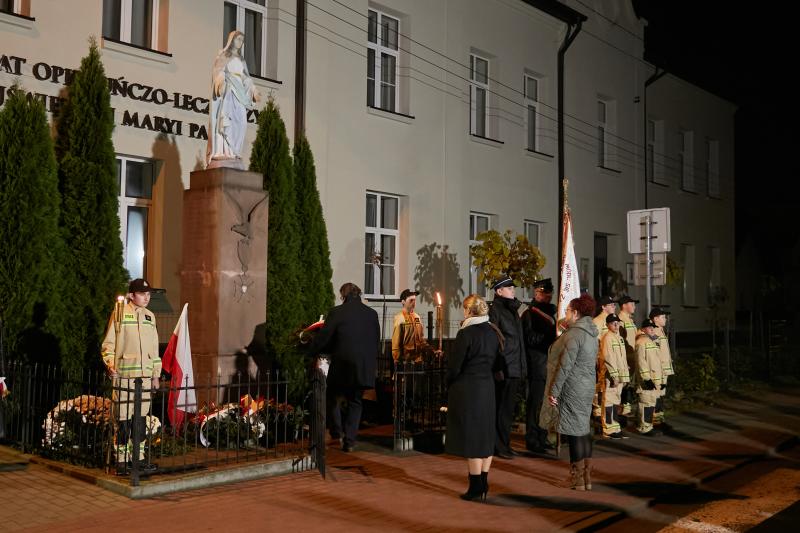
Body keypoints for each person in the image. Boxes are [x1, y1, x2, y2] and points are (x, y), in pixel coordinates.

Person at [445, 294, 504, 501]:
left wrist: (449, 382)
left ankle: (475, 486)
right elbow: (499, 362)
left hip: (469, 388)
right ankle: (484, 481)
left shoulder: (466, 333)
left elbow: (455, 366)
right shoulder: (493, 331)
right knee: (486, 434)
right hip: (487, 387)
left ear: (469, 311)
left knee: (472, 437)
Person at [309, 283, 380, 452]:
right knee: (356, 401)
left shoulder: (337, 312)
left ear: (343, 295)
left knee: (332, 396)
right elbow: (376, 340)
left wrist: (311, 350)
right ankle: (350, 441)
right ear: (358, 294)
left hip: (342, 365)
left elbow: (325, 337)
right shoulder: (371, 314)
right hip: (362, 366)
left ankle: (337, 432)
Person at [101, 278, 161, 471]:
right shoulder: (119, 313)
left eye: (148, 294)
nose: (146, 298)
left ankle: (138, 458)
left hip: (145, 377)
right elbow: (108, 344)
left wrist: (155, 375)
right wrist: (110, 365)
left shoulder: (150, 316)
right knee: (123, 419)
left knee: (140, 419)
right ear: (131, 295)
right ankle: (121, 460)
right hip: (125, 377)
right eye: (142, 294)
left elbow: (154, 349)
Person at [545, 293, 599, 491]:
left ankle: (577, 479)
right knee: (583, 430)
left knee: (575, 433)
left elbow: (565, 366)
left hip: (573, 387)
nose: (565, 313)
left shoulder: (574, 335)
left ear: (576, 313)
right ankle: (586, 477)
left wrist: (554, 390)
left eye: (568, 310)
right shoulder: (591, 333)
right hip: (587, 386)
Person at [207, 30, 261, 168]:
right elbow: (218, 72)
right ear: (231, 40)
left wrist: (254, 90)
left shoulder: (242, 60)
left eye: (242, 40)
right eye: (238, 39)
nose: (240, 42)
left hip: (240, 93)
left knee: (242, 122)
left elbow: (245, 78)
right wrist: (221, 81)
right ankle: (225, 151)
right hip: (229, 92)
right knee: (227, 121)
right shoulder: (224, 55)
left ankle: (235, 151)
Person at [488, 276, 526, 460]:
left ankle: (505, 443)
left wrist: (522, 366)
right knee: (500, 409)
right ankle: (498, 445)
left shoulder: (512, 310)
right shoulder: (495, 310)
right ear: (499, 291)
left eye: (513, 288)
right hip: (504, 367)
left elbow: (518, 341)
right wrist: (497, 368)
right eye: (509, 288)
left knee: (508, 410)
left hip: (514, 366)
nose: (513, 290)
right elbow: (494, 340)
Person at [520, 278, 556, 453]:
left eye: (549, 293)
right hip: (536, 365)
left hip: (548, 364)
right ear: (536, 293)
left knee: (546, 404)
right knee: (535, 404)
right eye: (543, 293)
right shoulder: (530, 314)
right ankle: (532, 438)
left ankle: (542, 436)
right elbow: (529, 339)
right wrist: (548, 336)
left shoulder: (551, 313)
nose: (547, 296)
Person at [598, 314, 630, 439]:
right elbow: (608, 358)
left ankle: (615, 427)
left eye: (617, 322)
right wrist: (614, 376)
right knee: (609, 402)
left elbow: (622, 359)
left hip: (619, 377)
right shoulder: (607, 338)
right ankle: (608, 429)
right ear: (607, 325)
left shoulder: (619, 338)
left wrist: (625, 377)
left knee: (615, 402)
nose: (616, 325)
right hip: (611, 377)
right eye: (613, 323)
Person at [635, 318, 663, 436]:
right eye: (649, 327)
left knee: (651, 403)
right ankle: (644, 428)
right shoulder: (641, 342)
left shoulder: (652, 342)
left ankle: (648, 425)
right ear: (643, 329)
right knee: (646, 402)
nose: (652, 329)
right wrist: (646, 379)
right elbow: (641, 362)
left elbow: (657, 362)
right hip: (647, 380)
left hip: (655, 379)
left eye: (653, 327)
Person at [391, 289, 433, 363]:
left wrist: (431, 350)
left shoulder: (417, 317)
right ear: (403, 302)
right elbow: (396, 341)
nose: (413, 302)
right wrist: (397, 358)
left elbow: (421, 338)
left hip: (418, 359)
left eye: (414, 300)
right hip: (405, 360)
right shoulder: (399, 318)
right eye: (411, 300)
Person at [650, 308, 674, 427]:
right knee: (655, 395)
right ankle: (655, 421)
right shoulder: (653, 332)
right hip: (657, 370)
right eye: (663, 317)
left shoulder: (660, 330)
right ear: (655, 319)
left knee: (660, 395)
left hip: (663, 370)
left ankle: (659, 419)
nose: (666, 319)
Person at [616, 295, 638, 416]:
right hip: (626, 359)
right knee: (624, 384)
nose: (634, 306)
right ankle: (623, 410)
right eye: (632, 304)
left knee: (629, 384)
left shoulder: (630, 320)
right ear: (624, 306)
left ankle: (626, 408)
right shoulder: (620, 320)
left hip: (632, 357)